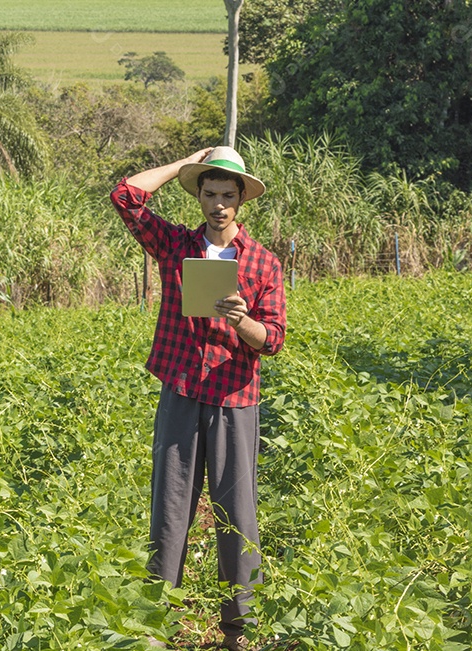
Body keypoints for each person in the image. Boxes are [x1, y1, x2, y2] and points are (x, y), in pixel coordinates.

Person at [109, 147, 286, 651]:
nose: (218, 205)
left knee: (237, 514)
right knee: (169, 509)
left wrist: (241, 319)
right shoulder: (176, 246)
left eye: (228, 195)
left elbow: (272, 339)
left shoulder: (262, 263)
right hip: (183, 389)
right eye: (209, 193)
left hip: (235, 399)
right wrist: (186, 161)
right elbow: (127, 196)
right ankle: (155, 624)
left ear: (241, 200)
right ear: (200, 196)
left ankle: (239, 632)